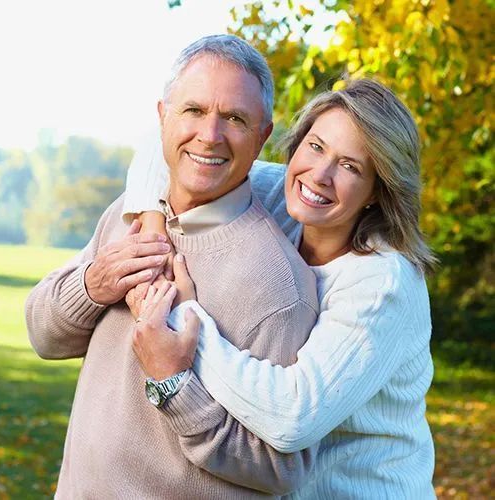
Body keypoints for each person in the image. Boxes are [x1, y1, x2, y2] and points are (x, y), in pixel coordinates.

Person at [25, 34, 321, 498]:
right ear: (163, 117)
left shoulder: (279, 285)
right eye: (194, 111)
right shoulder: (127, 213)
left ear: (263, 136)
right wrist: (92, 285)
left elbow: (282, 470)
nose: (210, 135)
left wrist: (174, 385)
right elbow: (43, 335)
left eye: (235, 119)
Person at [124, 79, 437, 499]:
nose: (320, 175)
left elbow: (293, 418)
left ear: (377, 192)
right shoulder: (280, 196)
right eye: (316, 147)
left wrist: (184, 319)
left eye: (350, 167)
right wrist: (152, 223)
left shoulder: (382, 282)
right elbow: (161, 146)